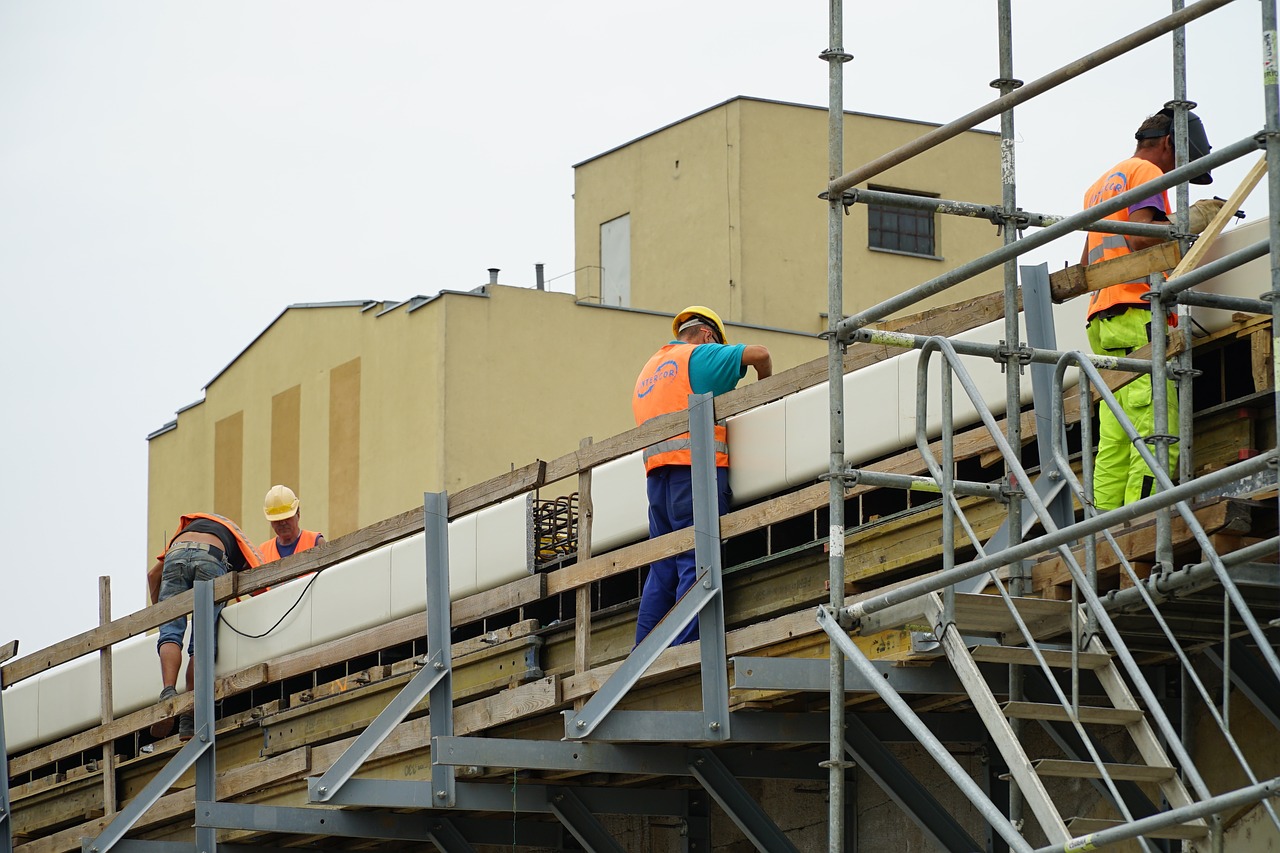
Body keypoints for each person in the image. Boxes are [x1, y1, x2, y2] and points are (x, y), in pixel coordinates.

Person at [1080, 108, 1223, 511]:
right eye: (1181, 163)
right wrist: (1186, 227)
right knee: (1156, 430)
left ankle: (1104, 530)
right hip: (1136, 313)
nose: (1179, 174)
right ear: (1166, 144)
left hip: (1103, 318)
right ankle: (1144, 522)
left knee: (1115, 437)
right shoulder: (1147, 173)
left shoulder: (1099, 186)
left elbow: (1088, 257)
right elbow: (1141, 237)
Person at [631, 306, 772, 646]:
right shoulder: (698, 356)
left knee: (663, 568)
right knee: (697, 558)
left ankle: (643, 653)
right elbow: (761, 354)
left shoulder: (650, 370)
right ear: (708, 335)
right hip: (692, 474)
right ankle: (686, 652)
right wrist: (766, 391)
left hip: (657, 480)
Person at [147, 512, 262, 740]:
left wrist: (162, 614)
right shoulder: (237, 542)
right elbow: (258, 583)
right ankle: (189, 715)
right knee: (201, 642)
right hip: (212, 557)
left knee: (170, 633)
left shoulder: (184, 533)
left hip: (175, 556)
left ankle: (168, 691)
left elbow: (152, 576)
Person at [259, 484, 324, 561]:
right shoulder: (262, 553)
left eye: (287, 518)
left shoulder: (315, 542)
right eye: (277, 519)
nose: (282, 523)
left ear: (298, 515)